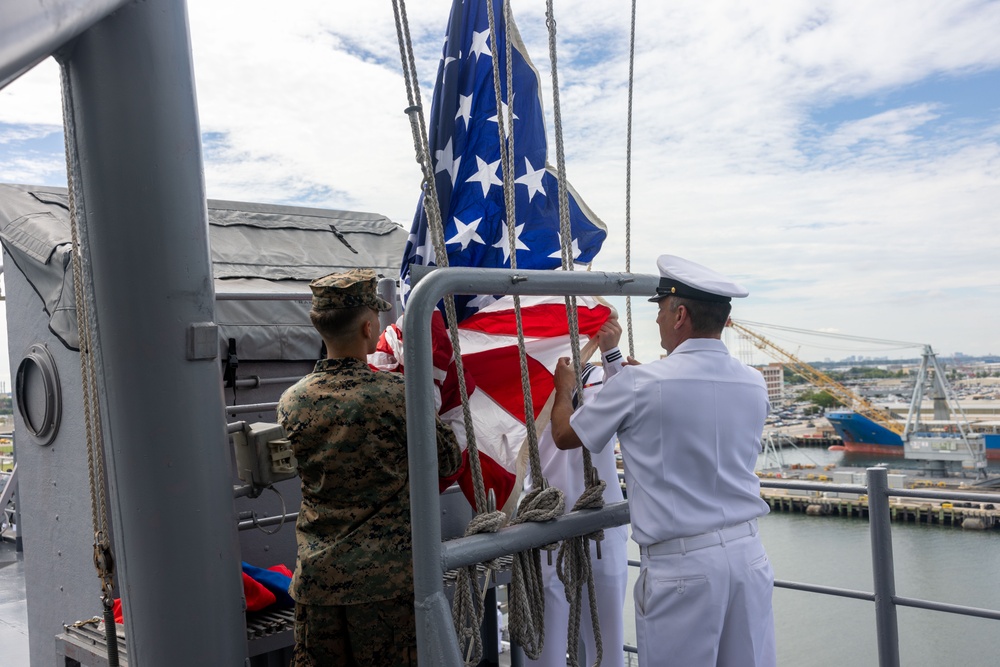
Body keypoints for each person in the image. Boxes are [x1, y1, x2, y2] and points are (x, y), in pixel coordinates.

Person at [550, 255, 776, 667]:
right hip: (749, 558)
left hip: (683, 570)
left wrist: (564, 389)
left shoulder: (643, 383)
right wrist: (615, 358)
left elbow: (566, 436)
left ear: (680, 315)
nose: (656, 321)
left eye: (660, 310)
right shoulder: (753, 381)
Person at [277, 269, 463, 667]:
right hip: (385, 588)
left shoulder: (291, 401)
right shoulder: (398, 394)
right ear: (368, 327)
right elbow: (449, 460)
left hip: (317, 583)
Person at [526, 316, 629, 667]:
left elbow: (630, 402)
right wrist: (560, 388)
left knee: (607, 646)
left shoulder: (605, 380)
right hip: (544, 526)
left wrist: (612, 352)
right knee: (544, 650)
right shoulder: (520, 386)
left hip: (601, 524)